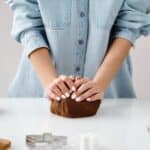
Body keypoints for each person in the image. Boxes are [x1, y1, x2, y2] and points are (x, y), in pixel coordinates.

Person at [5, 0, 150, 101]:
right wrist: (51, 84)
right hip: (33, 102)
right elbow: (27, 22)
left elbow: (130, 26)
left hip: (110, 103)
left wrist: (99, 85)